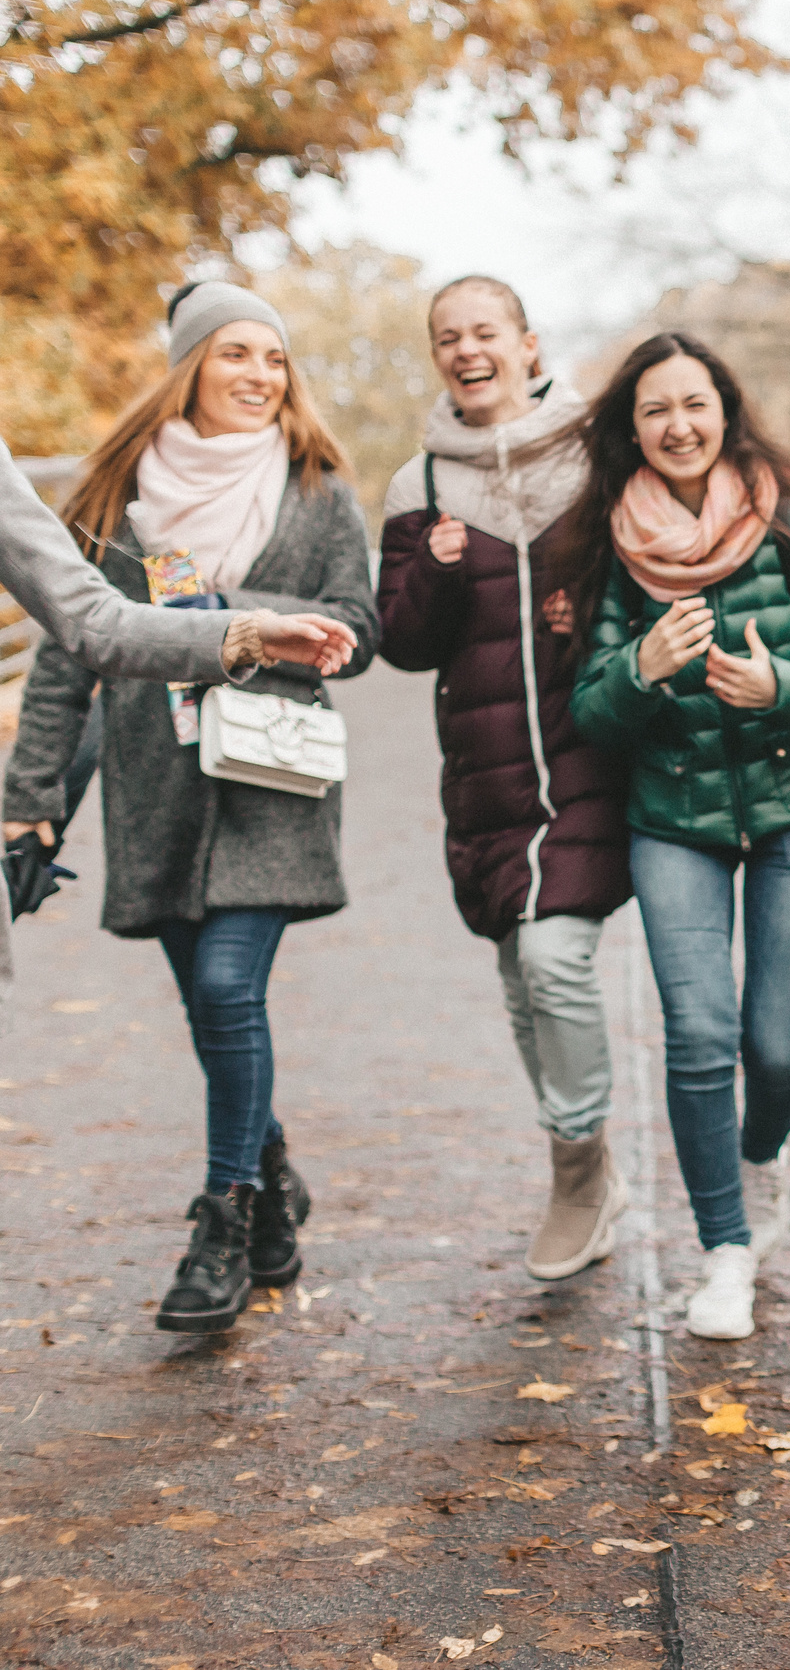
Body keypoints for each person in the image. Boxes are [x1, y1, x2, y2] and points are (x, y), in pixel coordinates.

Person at [2, 282, 378, 1335]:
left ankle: (222, 1222)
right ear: (190, 367)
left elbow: (359, 627)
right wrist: (30, 803)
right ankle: (272, 1178)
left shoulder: (316, 490)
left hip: (272, 779)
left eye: (274, 357)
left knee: (225, 989)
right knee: (214, 1014)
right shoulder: (117, 495)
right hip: (157, 784)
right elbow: (67, 659)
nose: (260, 375)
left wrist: (234, 618)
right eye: (235, 354)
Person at [563, 333, 790, 1342]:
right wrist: (643, 667)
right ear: (634, 429)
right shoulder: (616, 543)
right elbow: (592, 711)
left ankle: (761, 1152)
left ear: (725, 413)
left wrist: (781, 687)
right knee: (699, 1036)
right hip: (674, 821)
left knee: (775, 1047)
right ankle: (725, 1251)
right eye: (655, 410)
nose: (678, 425)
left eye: (693, 404)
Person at [377, 275, 632, 1282]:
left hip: (588, 757)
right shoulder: (419, 485)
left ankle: (578, 1172)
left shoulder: (598, 457)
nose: (466, 350)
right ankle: (589, 1168)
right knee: (522, 979)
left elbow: (659, 574)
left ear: (529, 344)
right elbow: (401, 643)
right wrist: (436, 570)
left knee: (556, 959)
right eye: (448, 337)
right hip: (486, 777)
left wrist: (592, 612)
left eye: (485, 331)